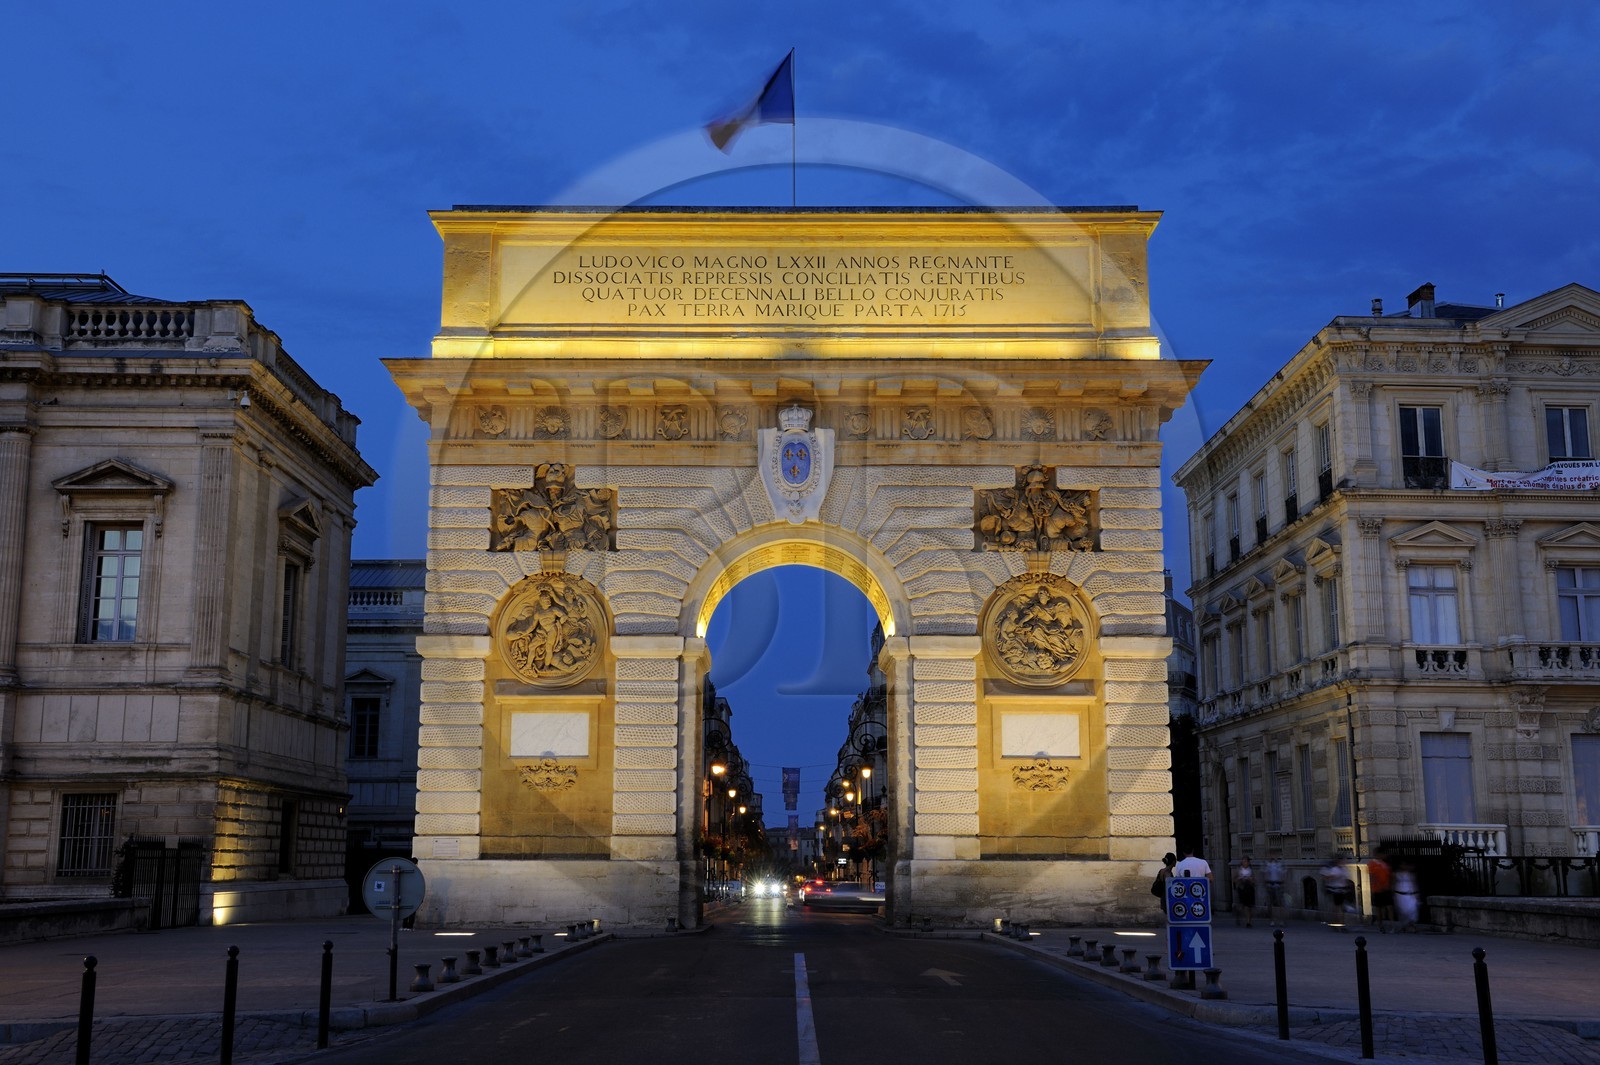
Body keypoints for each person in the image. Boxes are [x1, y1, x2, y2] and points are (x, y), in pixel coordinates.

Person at [1366, 848, 1395, 932]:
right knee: (1379, 909)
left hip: (1386, 889)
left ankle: (1392, 925)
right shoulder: (1372, 864)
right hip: (1377, 890)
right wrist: (1378, 886)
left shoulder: (1385, 864)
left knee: (1389, 907)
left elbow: (1390, 876)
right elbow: (1373, 877)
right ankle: (1380, 925)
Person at [1321, 856, 1354, 926]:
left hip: (1343, 890)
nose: (1343, 863)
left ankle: (1339, 922)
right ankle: (1338, 923)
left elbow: (1347, 879)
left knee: (1340, 907)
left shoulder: (1344, 869)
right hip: (1336, 890)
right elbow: (1328, 877)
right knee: (1338, 907)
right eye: (1342, 861)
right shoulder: (1335, 869)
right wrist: (1332, 877)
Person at [1393, 862, 1420, 932]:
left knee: (1412, 910)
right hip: (1400, 894)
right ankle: (1404, 926)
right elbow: (1393, 884)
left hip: (1409, 894)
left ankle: (1412, 925)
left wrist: (1416, 894)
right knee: (1403, 911)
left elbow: (1414, 884)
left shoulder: (1411, 875)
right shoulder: (1396, 874)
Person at [1264, 853, 1287, 927]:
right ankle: (1272, 920)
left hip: (1279, 885)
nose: (1274, 857)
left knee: (1280, 903)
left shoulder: (1280, 865)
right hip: (1270, 885)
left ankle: (1281, 920)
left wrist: (1283, 882)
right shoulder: (1267, 865)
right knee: (1270, 904)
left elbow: (1284, 874)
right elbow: (1264, 875)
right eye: (1272, 855)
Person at [1233, 856, 1256, 927]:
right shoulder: (1239, 870)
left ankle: (1248, 922)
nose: (1245, 863)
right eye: (1244, 861)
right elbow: (1234, 879)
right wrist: (1240, 879)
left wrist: (1250, 879)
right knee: (1241, 906)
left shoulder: (1251, 870)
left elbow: (1254, 881)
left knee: (1248, 906)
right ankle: (1238, 916)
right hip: (1241, 888)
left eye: (1246, 861)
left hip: (1249, 889)